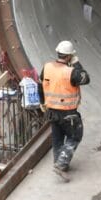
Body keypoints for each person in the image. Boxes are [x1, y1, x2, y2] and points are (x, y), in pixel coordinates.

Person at [40, 40, 90, 176]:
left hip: (52, 112)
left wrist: (42, 102)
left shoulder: (47, 67)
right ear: (69, 56)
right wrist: (76, 63)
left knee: (57, 139)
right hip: (68, 113)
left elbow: (41, 84)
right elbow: (85, 78)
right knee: (75, 137)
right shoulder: (71, 72)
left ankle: (58, 163)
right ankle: (61, 164)